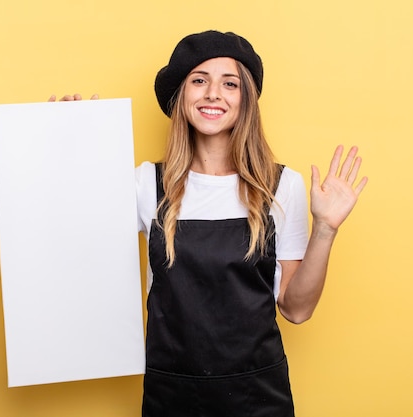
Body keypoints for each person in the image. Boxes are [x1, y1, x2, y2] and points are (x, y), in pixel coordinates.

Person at [51, 30, 367, 417]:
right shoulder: (146, 184)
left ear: (245, 99)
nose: (213, 93)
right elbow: (68, 235)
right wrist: (66, 141)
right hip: (172, 394)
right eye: (199, 80)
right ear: (182, 96)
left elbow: (296, 309)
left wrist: (325, 229)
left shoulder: (283, 186)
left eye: (229, 83)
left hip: (258, 396)